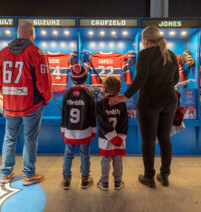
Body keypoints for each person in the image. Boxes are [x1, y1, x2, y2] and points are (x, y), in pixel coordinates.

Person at [110, 26, 179, 188]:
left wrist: (124, 96)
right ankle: (164, 174)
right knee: (164, 137)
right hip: (170, 100)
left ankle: (149, 176)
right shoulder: (171, 55)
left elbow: (140, 79)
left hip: (149, 102)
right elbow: (175, 79)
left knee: (148, 139)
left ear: (145, 40)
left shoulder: (145, 54)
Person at [0, 21, 51, 186]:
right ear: (32, 34)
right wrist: (46, 99)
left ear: (17, 33)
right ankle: (28, 174)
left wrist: (10, 97)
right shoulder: (37, 52)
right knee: (30, 138)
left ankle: (6, 174)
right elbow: (44, 82)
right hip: (31, 105)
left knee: (9, 137)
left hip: (10, 105)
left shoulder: (2, 53)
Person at [60, 64, 96, 190]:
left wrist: (63, 128)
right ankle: (85, 179)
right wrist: (93, 130)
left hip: (69, 130)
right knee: (84, 154)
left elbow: (64, 112)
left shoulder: (67, 93)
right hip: (84, 131)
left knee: (68, 154)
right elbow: (92, 115)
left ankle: (66, 179)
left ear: (72, 78)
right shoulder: (88, 94)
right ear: (85, 78)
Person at [96, 76, 128, 191]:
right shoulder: (122, 104)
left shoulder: (100, 104)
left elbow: (102, 122)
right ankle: (118, 182)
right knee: (118, 160)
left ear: (103, 89)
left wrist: (111, 136)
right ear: (119, 90)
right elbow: (124, 122)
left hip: (105, 139)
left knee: (105, 160)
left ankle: (104, 183)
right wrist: (119, 137)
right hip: (119, 139)